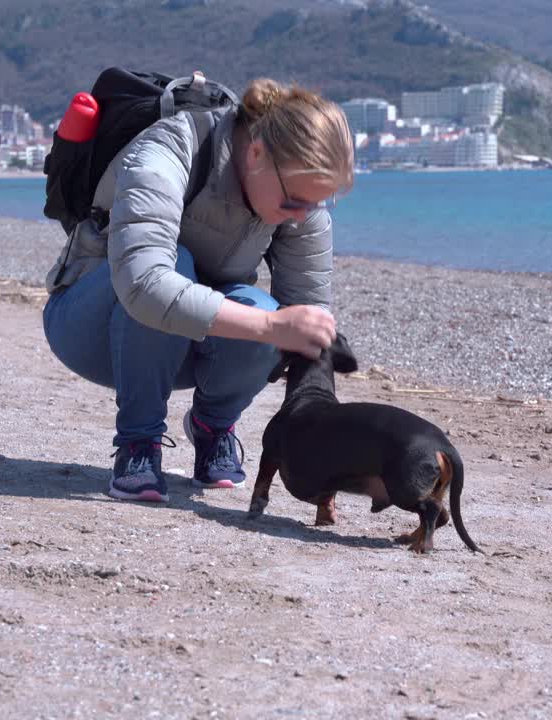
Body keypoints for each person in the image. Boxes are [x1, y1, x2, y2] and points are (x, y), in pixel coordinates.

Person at [42, 78, 355, 503]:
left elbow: (305, 323)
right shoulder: (169, 149)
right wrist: (270, 324)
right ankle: (138, 443)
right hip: (89, 327)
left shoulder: (299, 202)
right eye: (294, 202)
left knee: (273, 312)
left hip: (187, 344)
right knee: (180, 266)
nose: (301, 217)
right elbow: (144, 284)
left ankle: (213, 427)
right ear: (257, 152)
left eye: (318, 204)